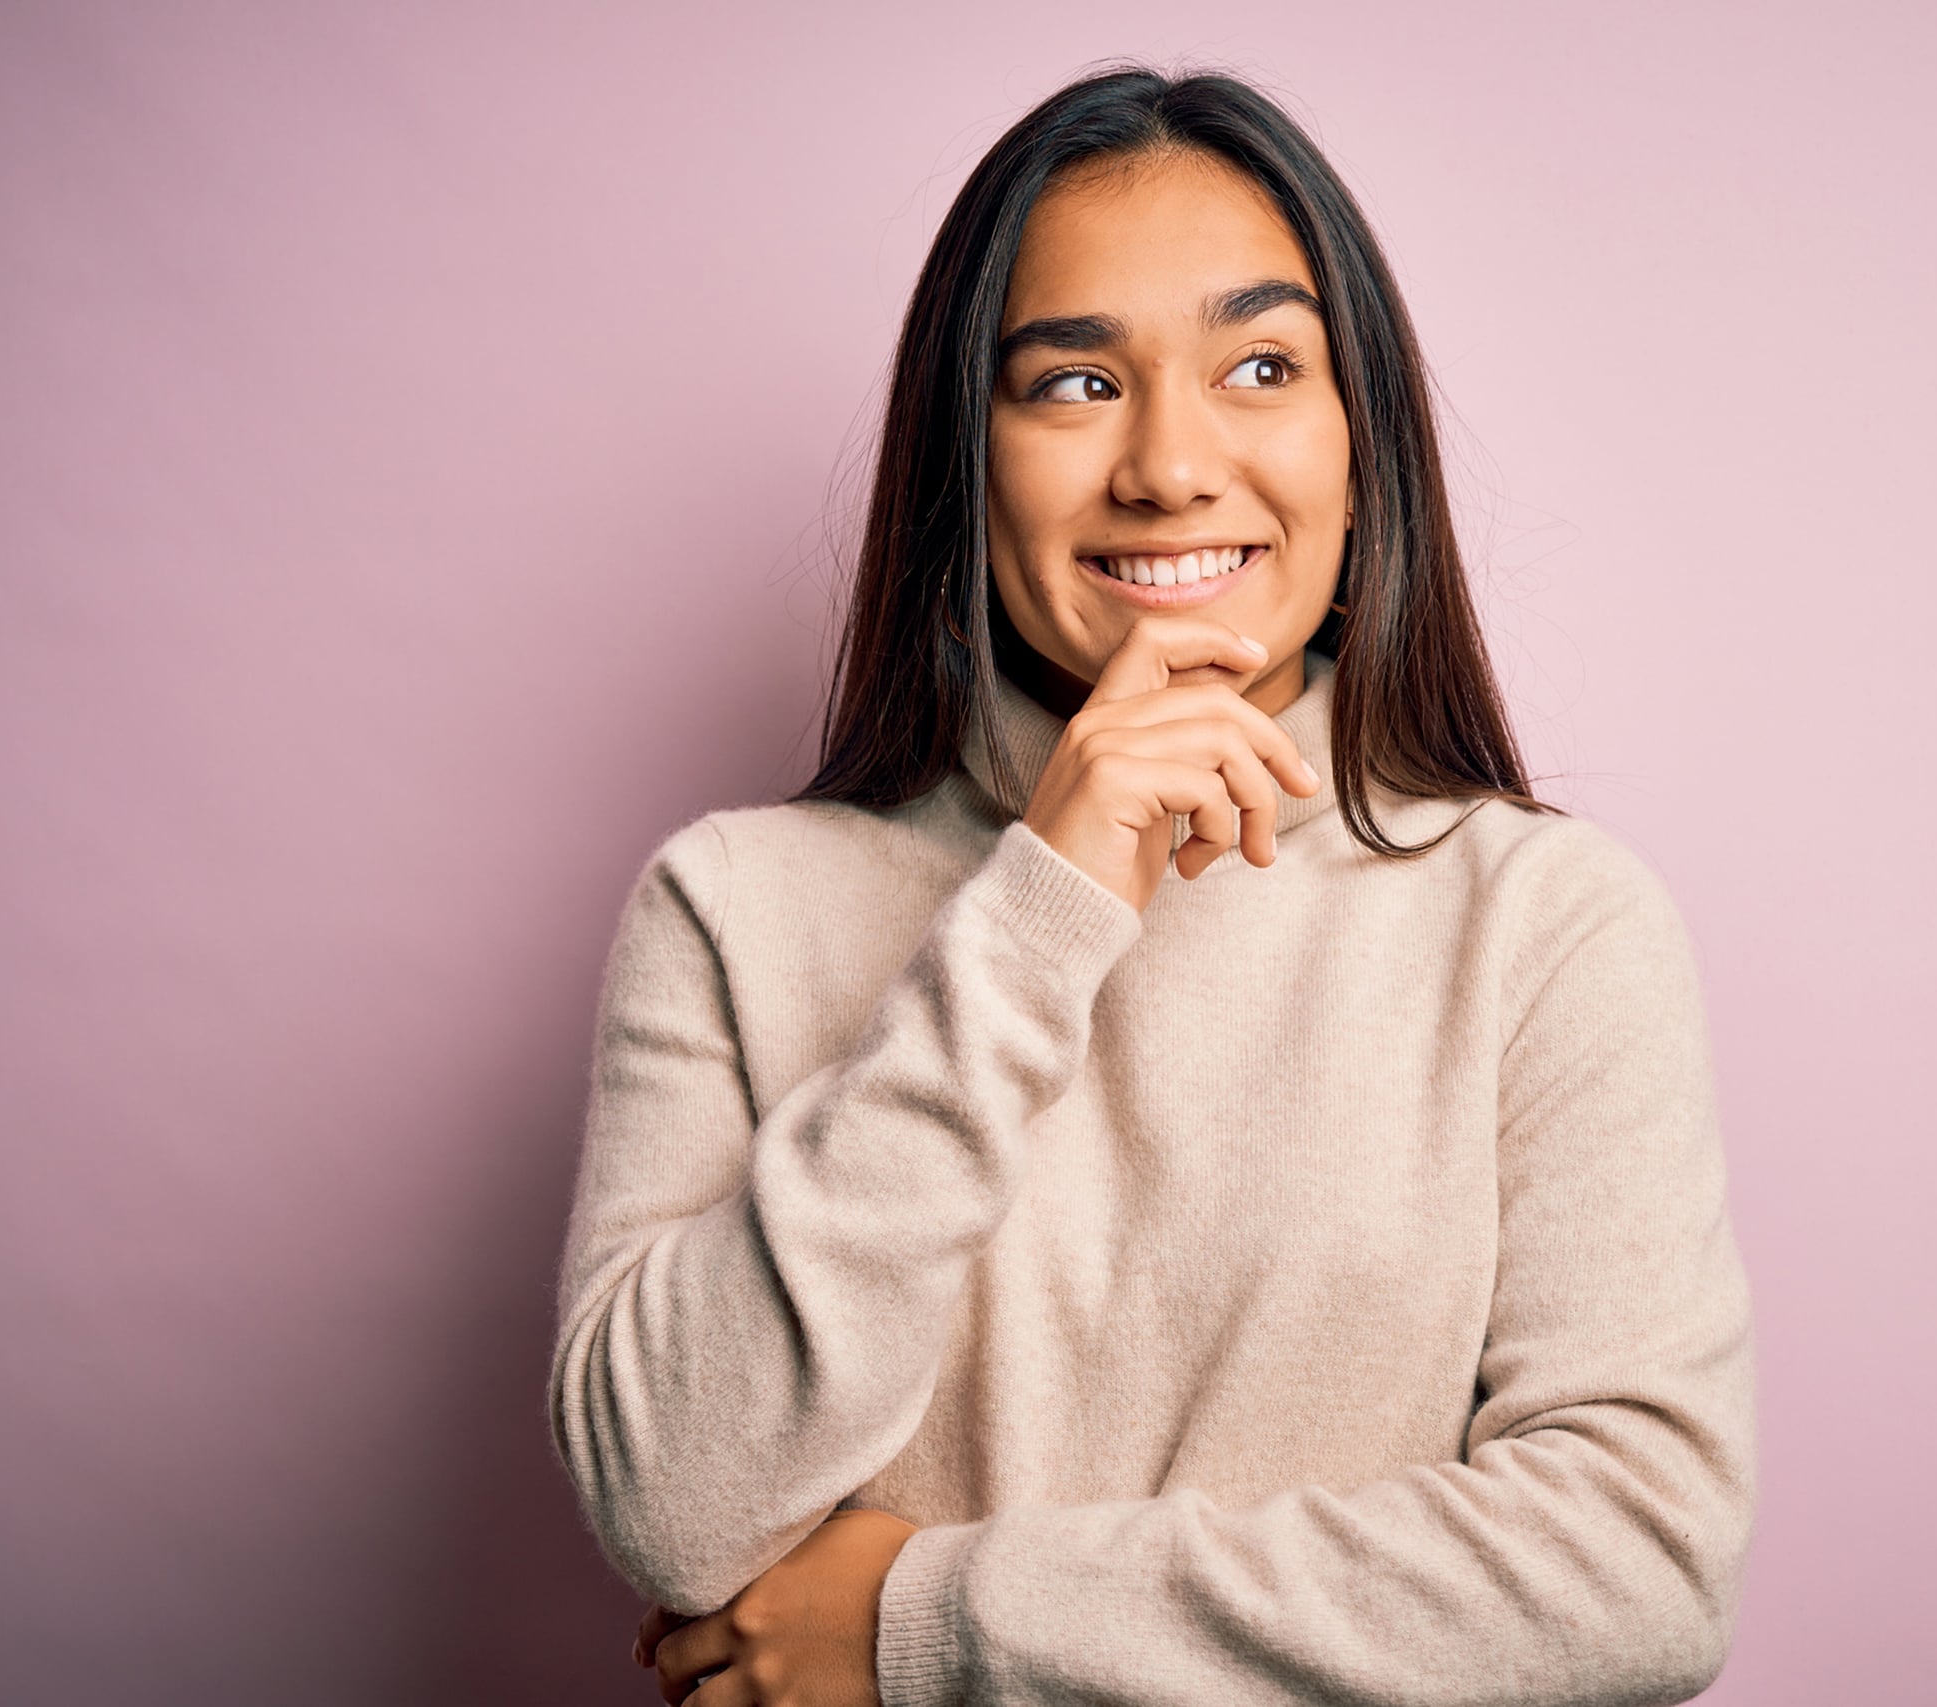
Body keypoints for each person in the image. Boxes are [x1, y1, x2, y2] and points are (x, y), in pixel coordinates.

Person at [549, 64, 1758, 1707]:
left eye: (1263, 364)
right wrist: (1045, 899)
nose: (1173, 467)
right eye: (1072, 385)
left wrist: (925, 1623)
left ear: (1362, 438)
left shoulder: (1545, 924)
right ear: (961, 454)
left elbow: (1636, 1572)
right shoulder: (733, 909)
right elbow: (673, 1506)